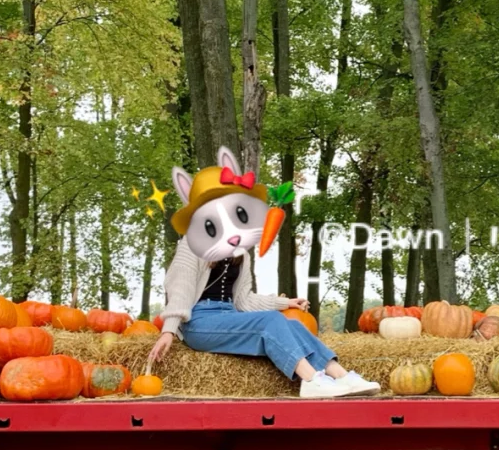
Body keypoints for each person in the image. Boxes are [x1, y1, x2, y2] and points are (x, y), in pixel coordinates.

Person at [148, 148, 379, 398]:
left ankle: (342, 377)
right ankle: (312, 380)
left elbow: (244, 300)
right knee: (271, 321)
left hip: (229, 316)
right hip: (199, 323)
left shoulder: (241, 252)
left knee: (294, 326)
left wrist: (284, 303)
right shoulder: (192, 244)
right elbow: (180, 289)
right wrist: (169, 330)